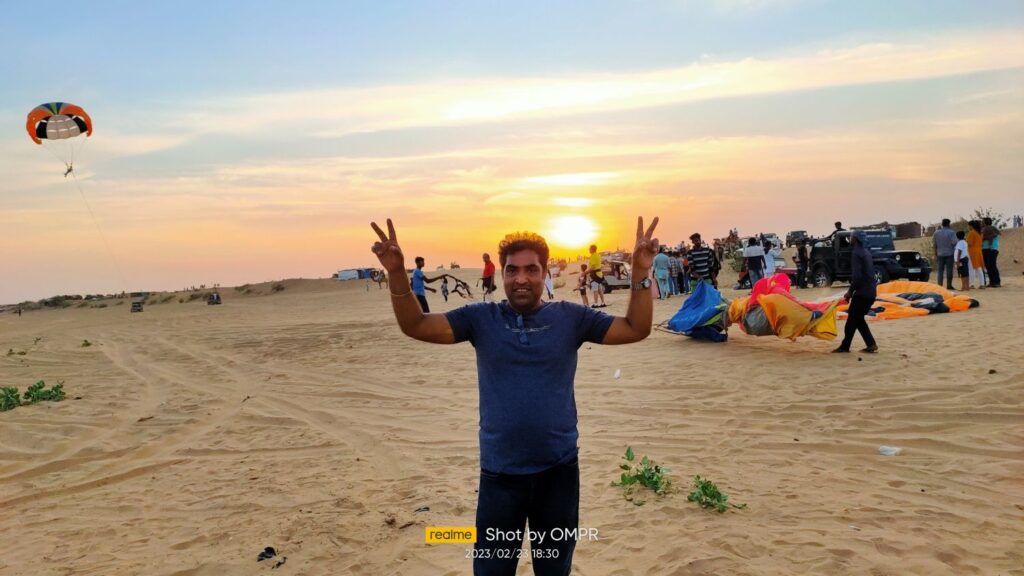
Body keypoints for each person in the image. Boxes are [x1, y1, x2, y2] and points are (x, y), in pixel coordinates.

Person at [370, 216, 660, 576]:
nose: (521, 278)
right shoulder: (481, 319)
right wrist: (396, 273)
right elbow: (416, 325)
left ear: (545, 273)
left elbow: (635, 328)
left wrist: (640, 272)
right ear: (502, 274)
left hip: (558, 474)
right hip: (500, 476)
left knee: (554, 570)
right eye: (512, 270)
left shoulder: (570, 318)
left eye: (531, 269)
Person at [834, 230, 878, 354]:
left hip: (862, 293)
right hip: (871, 291)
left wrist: (849, 292)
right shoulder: (866, 252)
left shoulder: (856, 253)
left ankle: (845, 346)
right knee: (858, 319)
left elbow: (857, 277)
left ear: (856, 239)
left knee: (852, 320)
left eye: (851, 237)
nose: (850, 238)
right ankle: (871, 344)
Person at [932, 218, 957, 290]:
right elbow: (954, 243)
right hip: (950, 253)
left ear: (942, 224)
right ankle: (949, 285)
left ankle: (939, 286)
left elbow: (934, 245)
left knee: (940, 271)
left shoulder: (936, 233)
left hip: (940, 254)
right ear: (949, 224)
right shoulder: (952, 232)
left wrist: (935, 254)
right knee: (949, 270)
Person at [981, 217, 1002, 288]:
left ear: (985, 222)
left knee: (992, 265)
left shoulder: (989, 229)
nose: (982, 223)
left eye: (983, 222)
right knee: (988, 266)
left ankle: (996, 282)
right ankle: (992, 282)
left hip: (991, 249)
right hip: (988, 249)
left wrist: (984, 238)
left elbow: (984, 237)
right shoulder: (992, 229)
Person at [966, 221, 986, 288]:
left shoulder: (972, 233)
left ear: (971, 226)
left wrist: (965, 241)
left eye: (968, 226)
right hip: (978, 251)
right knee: (979, 268)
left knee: (971, 268)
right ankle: (982, 284)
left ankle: (972, 284)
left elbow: (969, 243)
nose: (968, 227)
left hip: (972, 252)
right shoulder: (980, 233)